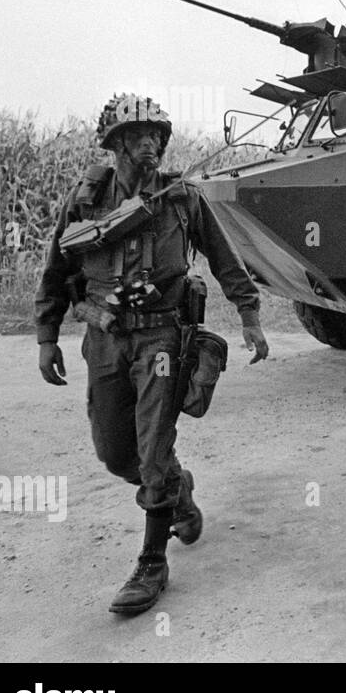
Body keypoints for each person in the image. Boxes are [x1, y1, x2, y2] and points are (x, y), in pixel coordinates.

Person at [35, 93, 270, 616]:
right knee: (116, 454)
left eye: (157, 136)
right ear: (116, 143)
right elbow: (57, 264)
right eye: (140, 135)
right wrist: (46, 333)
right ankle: (179, 493)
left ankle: (151, 562)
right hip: (104, 337)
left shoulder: (181, 196)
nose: (152, 144)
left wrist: (249, 316)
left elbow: (224, 256)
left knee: (154, 448)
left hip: (163, 337)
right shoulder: (87, 197)